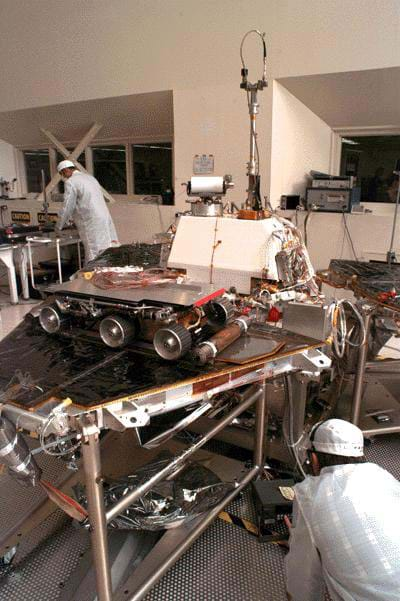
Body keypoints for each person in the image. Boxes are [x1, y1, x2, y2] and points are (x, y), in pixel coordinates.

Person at [285, 418, 400, 601]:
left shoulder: (308, 495)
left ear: (313, 458)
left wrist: (298, 534)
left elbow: (302, 582)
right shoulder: (383, 475)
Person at [55, 160, 119, 263]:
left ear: (66, 170)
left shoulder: (71, 182)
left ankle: (92, 277)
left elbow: (67, 206)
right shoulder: (90, 178)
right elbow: (85, 200)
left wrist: (58, 226)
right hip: (104, 217)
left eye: (62, 174)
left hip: (91, 221)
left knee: (94, 253)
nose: (64, 177)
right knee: (108, 249)